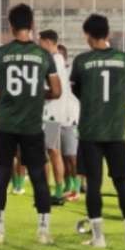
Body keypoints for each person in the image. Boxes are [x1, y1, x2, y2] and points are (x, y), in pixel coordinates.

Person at [0, 4, 61, 245]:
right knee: (38, 176)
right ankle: (43, 230)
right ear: (32, 25)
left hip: (5, 124)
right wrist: (37, 92)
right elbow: (56, 91)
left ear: (10, 25)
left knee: (2, 175)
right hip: (31, 124)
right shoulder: (43, 55)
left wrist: (4, 87)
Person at [69, 14, 125, 247]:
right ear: (108, 33)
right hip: (117, 131)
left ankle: (98, 237)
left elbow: (77, 91)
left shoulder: (81, 61)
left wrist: (94, 101)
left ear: (88, 36)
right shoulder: (124, 59)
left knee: (94, 185)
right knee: (122, 183)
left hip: (90, 132)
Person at [38, 30, 77, 204]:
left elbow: (55, 90)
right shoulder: (59, 59)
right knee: (55, 152)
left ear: (47, 42)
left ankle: (58, 190)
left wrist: (38, 93)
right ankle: (61, 188)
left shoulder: (53, 60)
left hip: (52, 114)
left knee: (53, 152)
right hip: (59, 113)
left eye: (40, 42)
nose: (39, 45)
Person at [57, 43, 80, 199]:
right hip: (52, 119)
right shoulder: (50, 71)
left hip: (70, 118)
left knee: (71, 156)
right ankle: (66, 185)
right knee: (58, 155)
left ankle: (77, 189)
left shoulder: (71, 71)